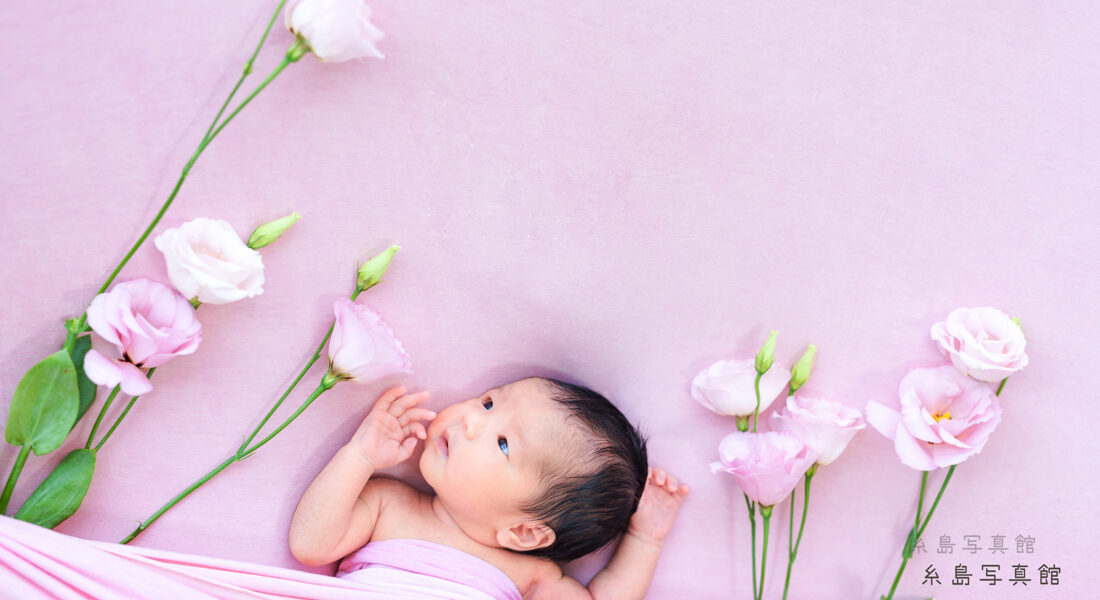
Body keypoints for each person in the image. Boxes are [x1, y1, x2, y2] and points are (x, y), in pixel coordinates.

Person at [289, 377, 689, 599]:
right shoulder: (387, 503)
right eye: (488, 403)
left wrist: (644, 538)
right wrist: (359, 456)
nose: (469, 421)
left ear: (525, 532)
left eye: (503, 444)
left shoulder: (530, 574)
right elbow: (312, 545)